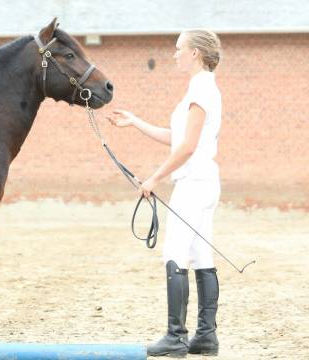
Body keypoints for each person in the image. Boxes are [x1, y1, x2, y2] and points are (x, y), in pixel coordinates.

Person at [106, 30, 222, 357]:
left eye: (179, 49)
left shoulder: (201, 89)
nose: (175, 54)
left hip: (194, 182)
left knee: (174, 254)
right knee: (201, 257)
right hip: (204, 181)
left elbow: (186, 147)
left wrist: (154, 178)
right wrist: (135, 122)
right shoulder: (202, 88)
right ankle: (205, 337)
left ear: (195, 53)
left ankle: (176, 337)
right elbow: (175, 136)